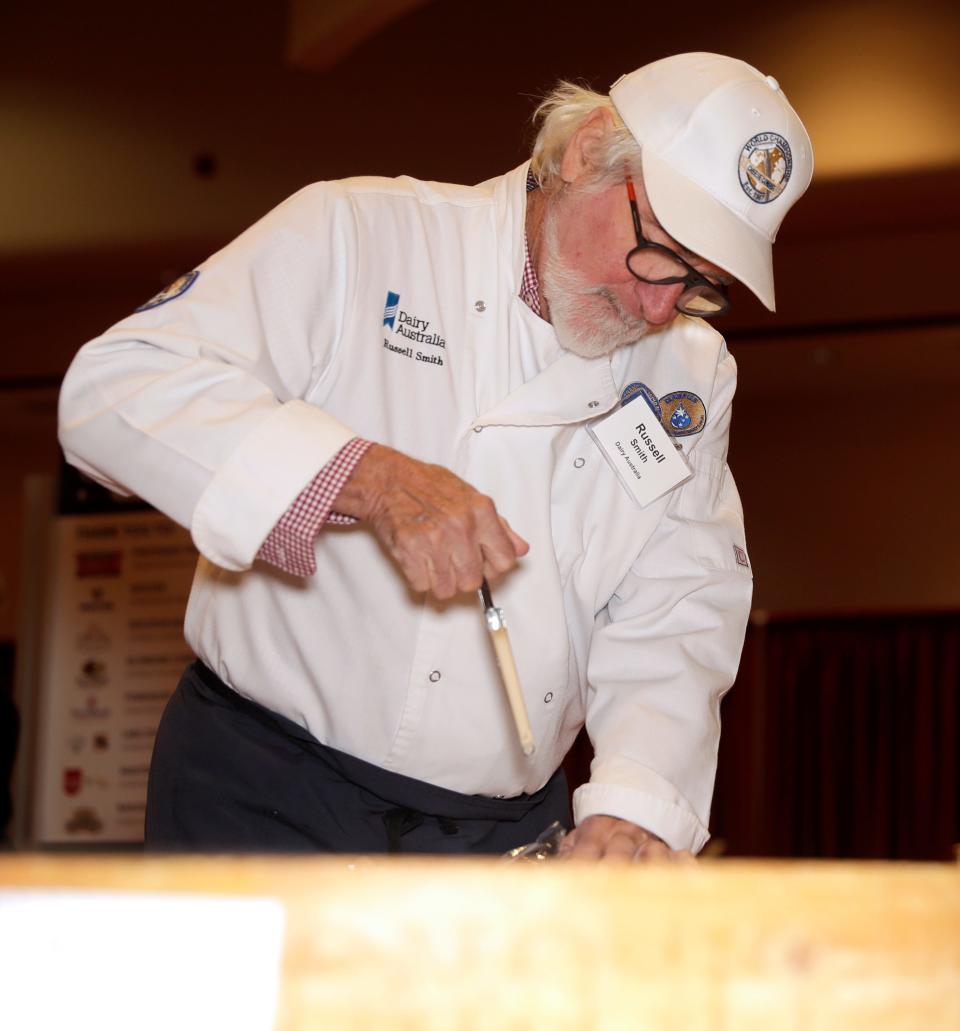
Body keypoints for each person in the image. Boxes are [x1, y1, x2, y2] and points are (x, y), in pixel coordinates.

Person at [58, 53, 812, 861]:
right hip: (265, 795)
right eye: (660, 251)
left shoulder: (691, 372)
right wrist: (362, 476)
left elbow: (679, 604)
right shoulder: (360, 234)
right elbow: (110, 390)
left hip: (507, 834)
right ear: (585, 152)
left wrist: (634, 802)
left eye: (702, 282)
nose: (661, 304)